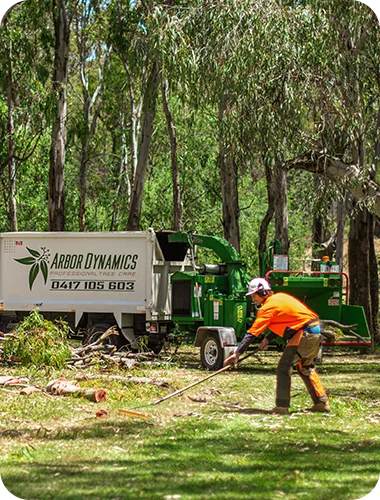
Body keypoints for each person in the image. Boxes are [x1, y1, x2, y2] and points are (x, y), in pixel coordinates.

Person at [223, 277, 330, 414]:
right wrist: (268, 338)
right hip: (314, 330)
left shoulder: (267, 308)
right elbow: (288, 320)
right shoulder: (280, 297)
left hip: (304, 334)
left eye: (254, 296)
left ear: (262, 293)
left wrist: (237, 353)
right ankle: (321, 402)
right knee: (305, 367)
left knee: (284, 368)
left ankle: (282, 407)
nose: (253, 299)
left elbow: (252, 334)